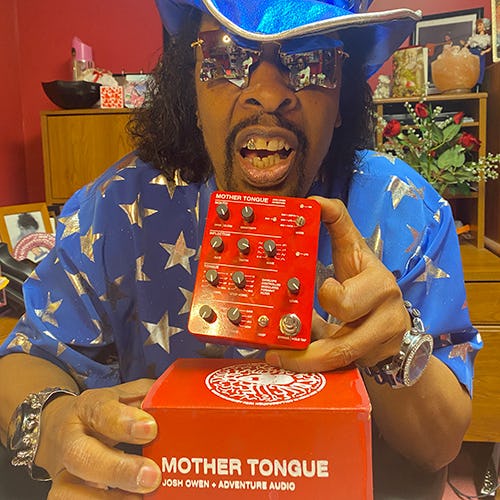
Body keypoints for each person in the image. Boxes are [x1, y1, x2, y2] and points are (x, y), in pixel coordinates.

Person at [0, 0, 481, 498]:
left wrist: (392, 348)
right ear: (190, 90)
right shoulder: (119, 204)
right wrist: (55, 426)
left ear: (343, 101)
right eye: (225, 57)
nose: (268, 94)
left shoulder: (403, 209)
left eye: (311, 61)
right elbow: (25, 359)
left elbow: (441, 446)